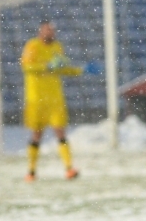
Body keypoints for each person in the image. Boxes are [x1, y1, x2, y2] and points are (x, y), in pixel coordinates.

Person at [20, 20, 101, 182]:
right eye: (46, 30)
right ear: (40, 31)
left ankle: (69, 168)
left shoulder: (57, 47)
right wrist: (46, 66)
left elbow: (62, 68)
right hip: (36, 99)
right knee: (37, 134)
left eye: (52, 30)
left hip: (55, 99)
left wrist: (82, 69)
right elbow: (27, 67)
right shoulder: (32, 46)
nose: (50, 33)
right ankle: (31, 171)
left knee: (60, 132)